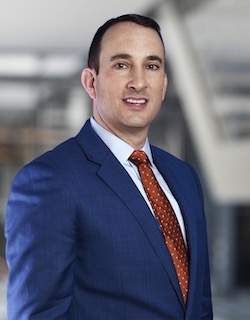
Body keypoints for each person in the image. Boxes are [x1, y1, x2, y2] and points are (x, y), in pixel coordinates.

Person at [5, 14, 213, 319]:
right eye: (122, 65)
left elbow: (200, 303)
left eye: (152, 66)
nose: (139, 82)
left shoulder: (184, 177)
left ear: (164, 84)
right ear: (91, 82)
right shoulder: (49, 180)